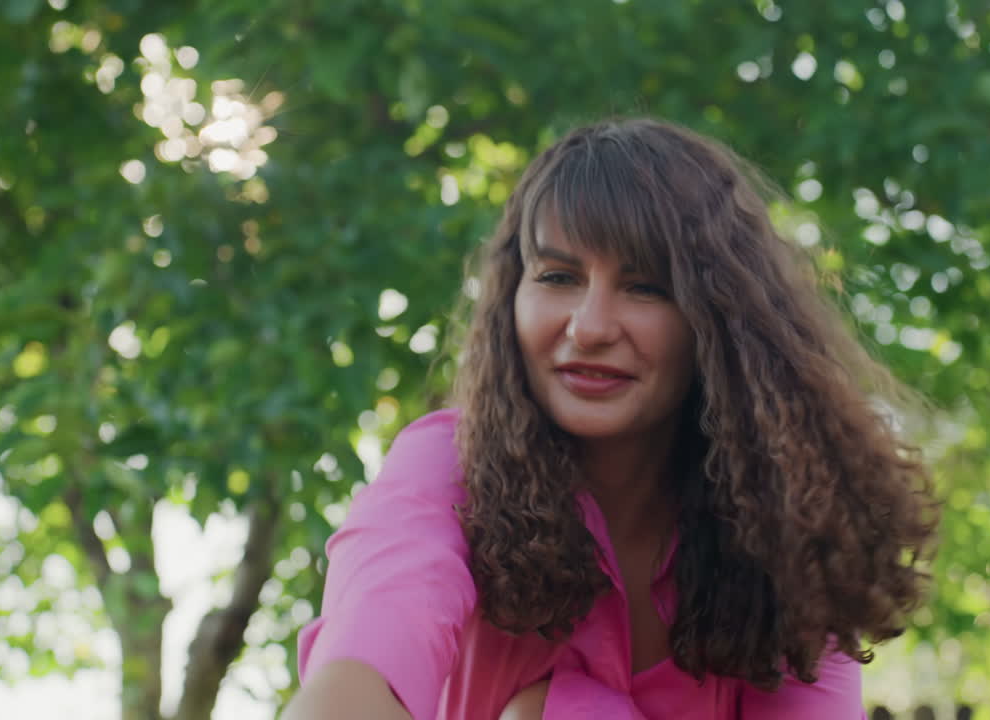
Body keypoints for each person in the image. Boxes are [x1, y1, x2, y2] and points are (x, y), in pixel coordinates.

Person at [283, 117, 939, 720]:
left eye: (645, 287)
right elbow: (360, 667)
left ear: (718, 322)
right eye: (557, 277)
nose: (590, 328)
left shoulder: (787, 523)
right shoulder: (447, 470)